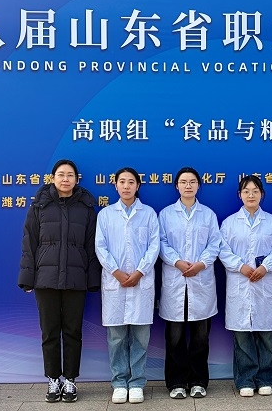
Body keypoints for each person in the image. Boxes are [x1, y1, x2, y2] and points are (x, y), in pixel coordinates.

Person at [18, 159, 101, 403]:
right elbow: (29, 243)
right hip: (46, 279)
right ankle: (53, 379)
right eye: (61, 174)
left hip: (76, 279)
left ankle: (71, 380)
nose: (65, 179)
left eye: (70, 175)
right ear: (53, 178)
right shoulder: (39, 206)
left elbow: (91, 246)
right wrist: (27, 278)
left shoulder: (86, 208)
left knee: (73, 332)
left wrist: (92, 279)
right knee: (50, 331)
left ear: (76, 179)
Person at [95, 167, 160, 404]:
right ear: (115, 186)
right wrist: (117, 273)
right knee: (117, 338)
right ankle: (119, 382)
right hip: (115, 282)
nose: (126, 186)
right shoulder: (106, 215)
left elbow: (154, 246)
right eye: (122, 182)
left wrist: (140, 271)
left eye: (131, 182)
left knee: (141, 338)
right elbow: (100, 247)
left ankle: (137, 383)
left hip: (141, 281)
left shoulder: (149, 214)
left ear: (137, 186)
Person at [158, 167, 222, 399]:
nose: (188, 185)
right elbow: (161, 243)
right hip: (175, 280)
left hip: (200, 279)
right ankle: (176, 382)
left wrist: (200, 264)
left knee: (200, 337)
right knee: (174, 337)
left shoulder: (208, 215)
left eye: (192, 181)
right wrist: (177, 262)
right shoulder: (166, 214)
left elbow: (215, 244)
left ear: (198, 185)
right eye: (183, 182)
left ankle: (198, 381)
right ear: (176, 186)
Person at [219, 176, 272, 397]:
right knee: (242, 336)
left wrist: (265, 267)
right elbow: (223, 250)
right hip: (240, 281)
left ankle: (266, 378)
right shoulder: (229, 223)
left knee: (266, 335)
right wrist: (241, 267)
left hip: (264, 281)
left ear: (262, 194)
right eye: (246, 191)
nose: (251, 195)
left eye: (255, 191)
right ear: (240, 195)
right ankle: (245, 379)